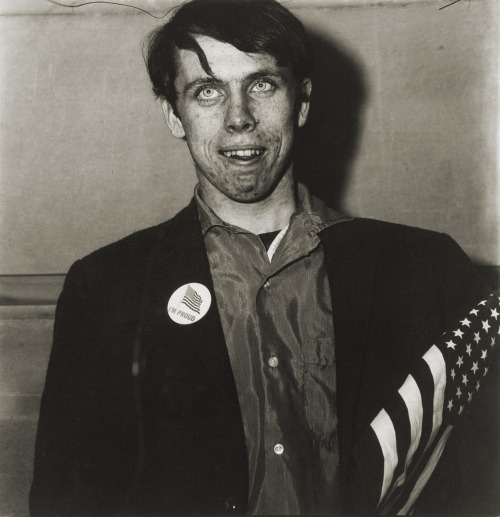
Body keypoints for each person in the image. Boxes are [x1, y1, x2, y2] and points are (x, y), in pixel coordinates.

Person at [30, 0, 498, 515]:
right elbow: (66, 501)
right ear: (173, 115)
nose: (239, 119)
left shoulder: (425, 272)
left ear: (301, 102)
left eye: (261, 84)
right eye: (207, 92)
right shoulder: (105, 288)